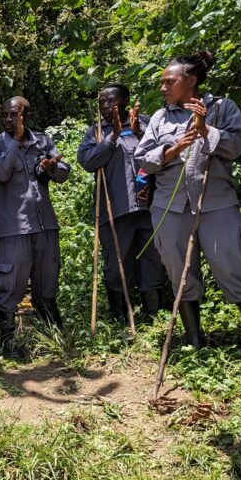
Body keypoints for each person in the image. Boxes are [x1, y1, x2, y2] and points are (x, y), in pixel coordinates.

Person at [134, 50, 241, 348]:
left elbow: (237, 147)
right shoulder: (159, 117)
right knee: (180, 273)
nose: (163, 88)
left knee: (233, 266)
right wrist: (173, 148)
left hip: (216, 204)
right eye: (162, 82)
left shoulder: (223, 108)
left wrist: (206, 129)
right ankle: (195, 340)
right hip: (170, 207)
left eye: (169, 82)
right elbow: (143, 159)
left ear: (192, 81)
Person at [0, 96, 70, 357]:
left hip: (45, 226)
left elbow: (63, 173)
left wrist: (49, 168)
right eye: (5, 115)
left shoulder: (43, 141)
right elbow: (0, 173)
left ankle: (57, 344)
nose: (9, 120)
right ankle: (8, 347)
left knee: (47, 288)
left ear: (25, 116)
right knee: (9, 289)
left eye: (14, 115)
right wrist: (15, 142)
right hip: (13, 229)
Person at [77, 84, 167, 323]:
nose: (106, 107)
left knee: (152, 260)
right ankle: (121, 316)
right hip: (115, 209)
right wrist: (113, 136)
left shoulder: (146, 123)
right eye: (102, 103)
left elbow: (162, 153)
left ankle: (152, 314)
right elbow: (87, 162)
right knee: (117, 263)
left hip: (149, 205)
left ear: (126, 101)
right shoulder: (96, 132)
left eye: (111, 102)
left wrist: (137, 133)